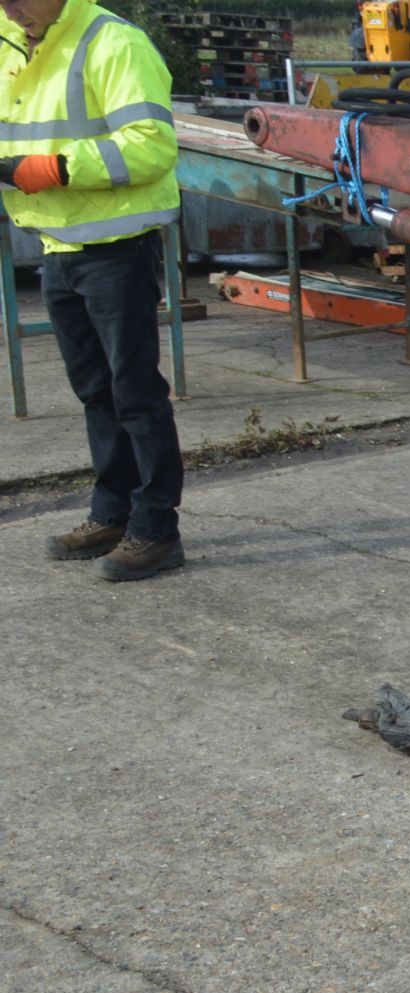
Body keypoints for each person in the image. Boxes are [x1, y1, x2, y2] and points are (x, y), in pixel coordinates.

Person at [1, 0, 184, 581]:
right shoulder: (11, 39)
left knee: (133, 392)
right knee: (96, 391)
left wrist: (55, 167)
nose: (11, 6)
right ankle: (113, 513)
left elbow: (152, 144)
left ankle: (156, 530)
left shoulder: (113, 42)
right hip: (57, 244)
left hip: (116, 248)